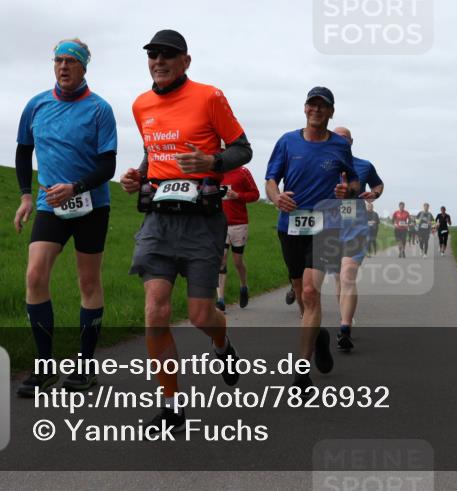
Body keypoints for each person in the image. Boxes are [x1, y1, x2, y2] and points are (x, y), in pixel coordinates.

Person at [119, 29, 253, 432]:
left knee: (199, 315)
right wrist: (137, 178)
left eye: (167, 55)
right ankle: (172, 406)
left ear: (186, 61)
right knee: (155, 312)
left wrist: (210, 161)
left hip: (201, 222)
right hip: (158, 221)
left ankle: (221, 343)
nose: (158, 61)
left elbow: (242, 148)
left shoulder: (209, 96)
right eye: (152, 55)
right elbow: (151, 153)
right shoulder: (141, 105)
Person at [13, 38, 117, 396]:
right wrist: (26, 195)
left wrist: (75, 187)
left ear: (84, 67)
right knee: (35, 274)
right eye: (58, 60)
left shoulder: (99, 109)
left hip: (91, 205)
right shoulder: (36, 105)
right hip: (49, 205)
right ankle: (44, 369)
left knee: (88, 283)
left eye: (71, 61)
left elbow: (108, 165)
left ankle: (86, 368)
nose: (63, 67)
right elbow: (24, 151)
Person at [265, 87, 359, 388]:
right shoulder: (287, 141)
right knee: (300, 292)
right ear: (305, 108)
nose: (317, 110)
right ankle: (319, 336)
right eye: (312, 104)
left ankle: (301, 371)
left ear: (331, 112)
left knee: (309, 292)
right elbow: (270, 180)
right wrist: (277, 197)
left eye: (323, 106)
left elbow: (354, 181)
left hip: (325, 225)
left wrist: (349, 191)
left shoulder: (339, 146)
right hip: (290, 225)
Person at [332, 126, 383, 352]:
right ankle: (345, 316)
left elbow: (378, 184)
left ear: (351, 142)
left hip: (355, 226)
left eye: (345, 138)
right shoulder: (322, 163)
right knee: (337, 279)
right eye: (337, 137)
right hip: (330, 227)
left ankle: (345, 328)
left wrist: (375, 193)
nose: (341, 141)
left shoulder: (364, 165)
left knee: (347, 275)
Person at [216, 165, 260, 311]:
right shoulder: (214, 171)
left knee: (237, 261)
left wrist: (238, 196)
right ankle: (220, 299)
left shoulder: (243, 172)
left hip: (239, 223)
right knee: (221, 259)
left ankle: (243, 286)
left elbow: (255, 194)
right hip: (219, 223)